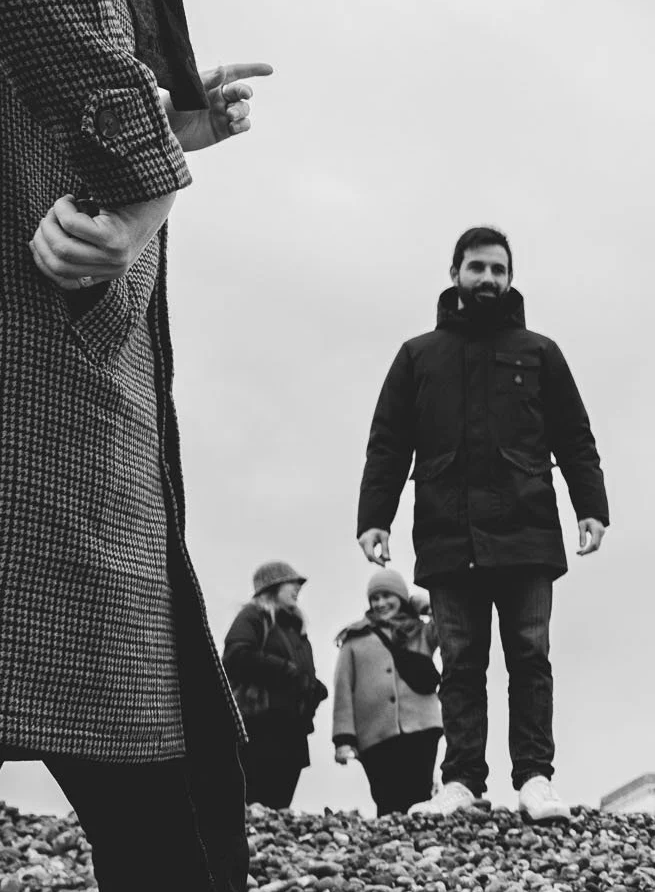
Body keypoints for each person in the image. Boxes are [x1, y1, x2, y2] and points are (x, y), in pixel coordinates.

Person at [0, 0, 440, 892]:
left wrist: (163, 131)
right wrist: (149, 165)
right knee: (165, 786)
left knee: (173, 777)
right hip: (47, 421)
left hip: (74, 420)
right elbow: (58, 20)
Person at [356, 225, 609, 823]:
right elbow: (388, 444)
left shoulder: (540, 352)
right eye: (477, 268)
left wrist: (591, 507)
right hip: (448, 536)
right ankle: (462, 781)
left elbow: (576, 437)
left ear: (510, 277)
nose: (488, 279)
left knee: (529, 659)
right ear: (455, 275)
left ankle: (536, 779)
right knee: (462, 665)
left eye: (498, 269)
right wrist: (375, 518)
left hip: (528, 533)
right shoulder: (419, 356)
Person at [331, 568, 443, 816]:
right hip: (375, 734)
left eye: (387, 596)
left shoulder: (420, 631)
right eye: (375, 598)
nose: (380, 603)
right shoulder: (354, 638)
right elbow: (343, 689)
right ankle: (390, 847)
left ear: (401, 597)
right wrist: (343, 739)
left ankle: (420, 848)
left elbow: (448, 621)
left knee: (420, 796)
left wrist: (421, 604)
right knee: (387, 799)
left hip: (422, 727)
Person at [222, 561, 326, 809]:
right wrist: (285, 671)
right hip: (261, 726)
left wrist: (314, 688)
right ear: (273, 586)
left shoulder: (295, 626)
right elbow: (235, 655)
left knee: (280, 803)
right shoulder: (253, 616)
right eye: (292, 582)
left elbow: (301, 672)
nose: (298, 587)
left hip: (292, 728)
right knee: (257, 802)